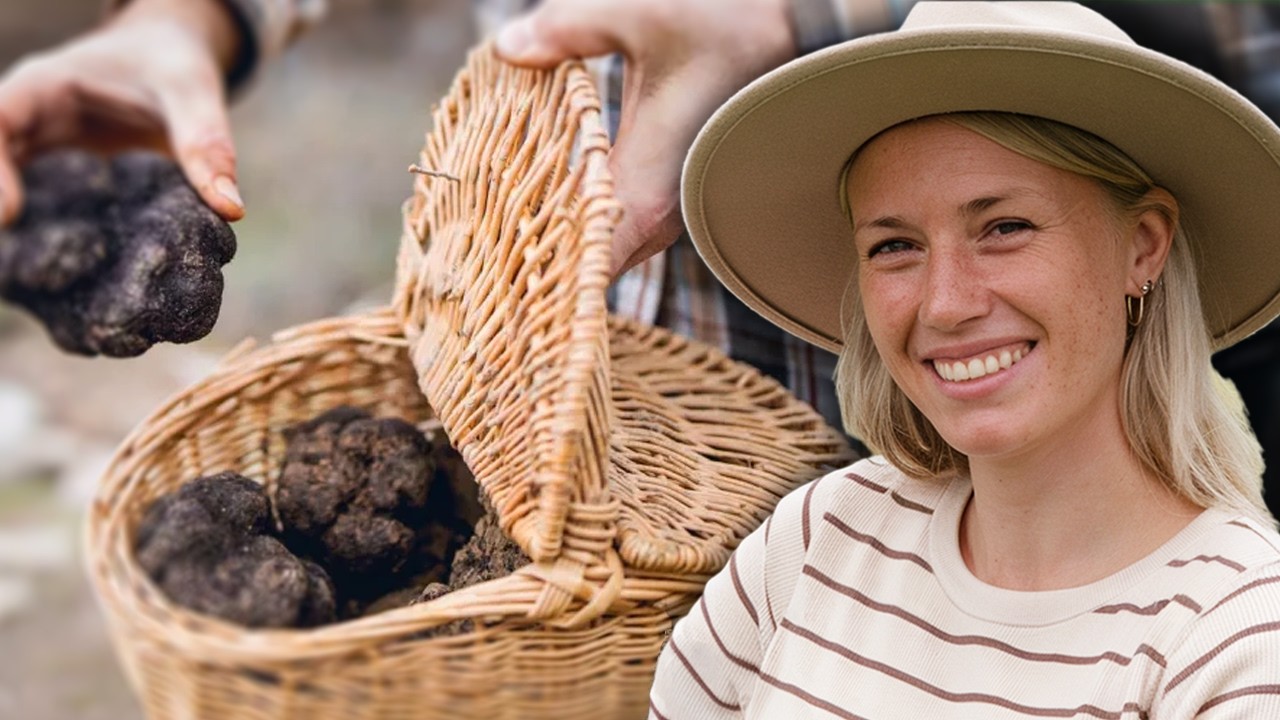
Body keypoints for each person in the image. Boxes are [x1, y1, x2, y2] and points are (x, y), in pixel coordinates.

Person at [642, 2, 1280, 717]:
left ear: (1143, 247)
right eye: (895, 246)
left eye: (1005, 227)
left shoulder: (1239, 637)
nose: (946, 304)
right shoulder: (821, 534)